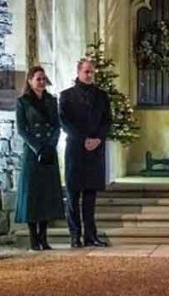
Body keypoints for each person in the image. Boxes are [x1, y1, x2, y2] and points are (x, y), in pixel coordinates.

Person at [59, 59, 112, 248]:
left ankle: (91, 235)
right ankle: (75, 235)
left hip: (95, 150)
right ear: (78, 72)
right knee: (73, 195)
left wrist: (98, 139)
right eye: (86, 72)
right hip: (75, 149)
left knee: (90, 196)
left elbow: (107, 121)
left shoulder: (102, 96)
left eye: (92, 72)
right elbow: (65, 122)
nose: (89, 75)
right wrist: (84, 139)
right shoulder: (66, 96)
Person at [15, 66, 65, 251]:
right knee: (32, 194)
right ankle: (33, 238)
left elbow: (57, 126)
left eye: (44, 79)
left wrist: (50, 146)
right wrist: (38, 148)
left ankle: (44, 238)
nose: (42, 82)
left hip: (49, 152)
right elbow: (22, 129)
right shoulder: (23, 102)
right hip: (32, 153)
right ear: (30, 80)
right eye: (38, 79)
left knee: (46, 194)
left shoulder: (52, 101)